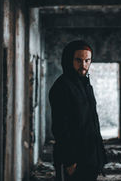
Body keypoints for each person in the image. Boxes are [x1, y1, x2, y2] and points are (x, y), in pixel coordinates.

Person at [49, 40, 107, 181]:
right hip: (73, 160)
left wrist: (100, 156)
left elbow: (92, 121)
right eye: (78, 60)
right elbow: (60, 127)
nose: (84, 65)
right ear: (69, 60)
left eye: (87, 61)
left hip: (90, 157)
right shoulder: (61, 87)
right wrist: (69, 160)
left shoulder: (86, 85)